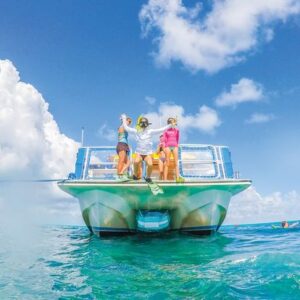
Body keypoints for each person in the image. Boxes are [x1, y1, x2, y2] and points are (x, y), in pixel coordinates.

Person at [121, 114, 173, 182]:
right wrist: (124, 118)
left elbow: (161, 130)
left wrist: (170, 125)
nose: (143, 126)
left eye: (144, 124)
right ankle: (135, 175)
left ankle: (148, 177)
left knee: (150, 164)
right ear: (140, 124)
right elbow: (126, 128)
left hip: (147, 153)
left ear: (147, 125)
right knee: (136, 162)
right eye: (142, 124)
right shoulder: (136, 131)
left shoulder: (150, 131)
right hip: (139, 153)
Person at [163, 117, 184, 182]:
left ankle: (177, 178)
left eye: (172, 121)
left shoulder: (177, 130)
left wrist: (176, 146)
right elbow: (164, 140)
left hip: (175, 146)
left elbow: (177, 139)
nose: (172, 123)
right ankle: (165, 179)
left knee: (176, 163)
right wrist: (164, 148)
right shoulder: (165, 130)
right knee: (167, 162)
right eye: (170, 122)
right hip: (167, 146)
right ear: (168, 123)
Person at [116, 116, 132, 181]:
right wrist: (123, 119)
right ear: (125, 121)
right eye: (129, 121)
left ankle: (121, 173)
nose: (129, 123)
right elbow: (123, 128)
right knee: (121, 160)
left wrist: (128, 145)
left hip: (125, 145)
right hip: (121, 145)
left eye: (130, 122)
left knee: (129, 162)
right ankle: (119, 176)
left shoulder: (125, 128)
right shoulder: (122, 127)